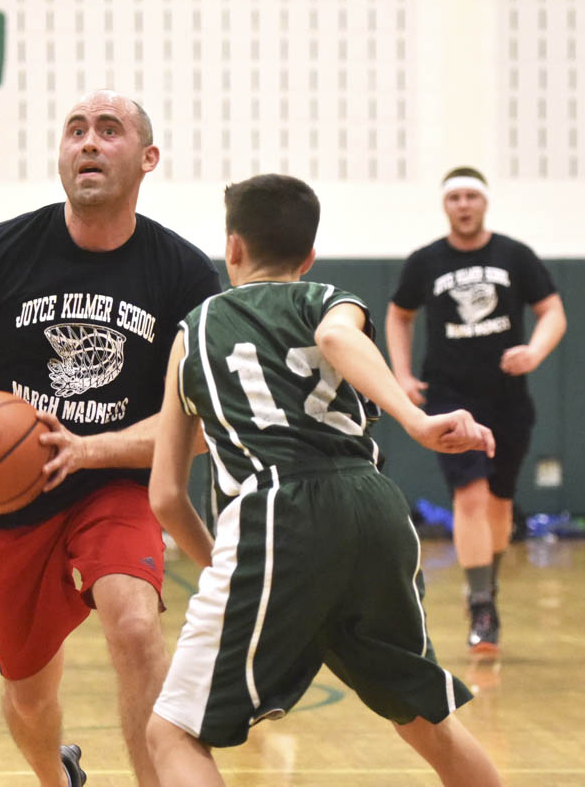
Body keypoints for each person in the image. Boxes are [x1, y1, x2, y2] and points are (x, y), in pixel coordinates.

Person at [0, 90, 221, 787]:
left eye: (108, 130)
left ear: (147, 158)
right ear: (61, 154)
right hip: (9, 503)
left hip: (117, 484)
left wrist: (89, 449)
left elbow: (201, 424)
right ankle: (54, 774)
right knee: (29, 693)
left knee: (132, 622)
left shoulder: (182, 273)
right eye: (75, 131)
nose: (88, 143)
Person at [145, 174, 503, 787]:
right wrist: (413, 419)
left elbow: (166, 496)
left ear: (232, 247)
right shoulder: (332, 299)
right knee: (425, 719)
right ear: (309, 257)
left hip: (278, 514)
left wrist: (218, 564)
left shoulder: (193, 331)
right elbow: (337, 334)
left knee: (172, 732)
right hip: (374, 507)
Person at [385, 166, 566, 654]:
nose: (464, 204)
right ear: (445, 205)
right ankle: (483, 607)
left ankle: (485, 584)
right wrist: (401, 374)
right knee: (469, 494)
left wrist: (535, 351)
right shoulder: (426, 261)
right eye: (455, 197)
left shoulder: (514, 255)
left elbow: (553, 311)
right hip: (449, 397)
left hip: (507, 398)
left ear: (484, 202)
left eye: (471, 196)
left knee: (500, 504)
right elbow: (398, 315)